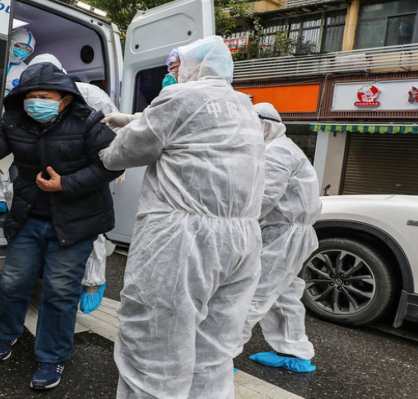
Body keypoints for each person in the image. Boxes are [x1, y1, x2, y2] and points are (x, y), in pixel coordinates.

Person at [0, 62, 123, 390]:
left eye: (44, 96)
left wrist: (67, 184)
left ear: (64, 99)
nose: (36, 102)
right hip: (29, 217)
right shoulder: (15, 122)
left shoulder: (89, 122)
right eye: (30, 96)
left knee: (60, 291)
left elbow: (110, 164)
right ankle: (6, 335)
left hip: (75, 223)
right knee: (12, 282)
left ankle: (52, 357)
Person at [100, 35, 265, 399]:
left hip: (182, 239)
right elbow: (193, 125)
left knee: (154, 346)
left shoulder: (179, 97)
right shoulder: (244, 105)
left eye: (174, 68)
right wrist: (132, 118)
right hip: (241, 241)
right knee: (213, 351)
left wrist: (106, 146)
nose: (170, 76)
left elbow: (123, 152)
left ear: (195, 67)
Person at [234, 102, 321, 373]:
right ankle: (295, 351)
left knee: (252, 293)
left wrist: (234, 225)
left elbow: (263, 199)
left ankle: (217, 358)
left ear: (267, 125)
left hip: (284, 235)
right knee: (283, 293)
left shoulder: (277, 152)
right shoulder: (276, 149)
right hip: (286, 233)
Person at [28, 53, 119, 312]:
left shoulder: (90, 95)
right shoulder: (30, 97)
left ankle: (92, 281)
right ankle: (49, 274)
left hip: (86, 168)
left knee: (88, 228)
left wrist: (110, 162)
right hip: (47, 169)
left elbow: (112, 131)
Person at [0, 28, 38, 214]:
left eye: (27, 50)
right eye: (19, 46)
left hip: (9, 121)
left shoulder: (25, 71)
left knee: (2, 160)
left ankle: (0, 199)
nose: (22, 52)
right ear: (11, 42)